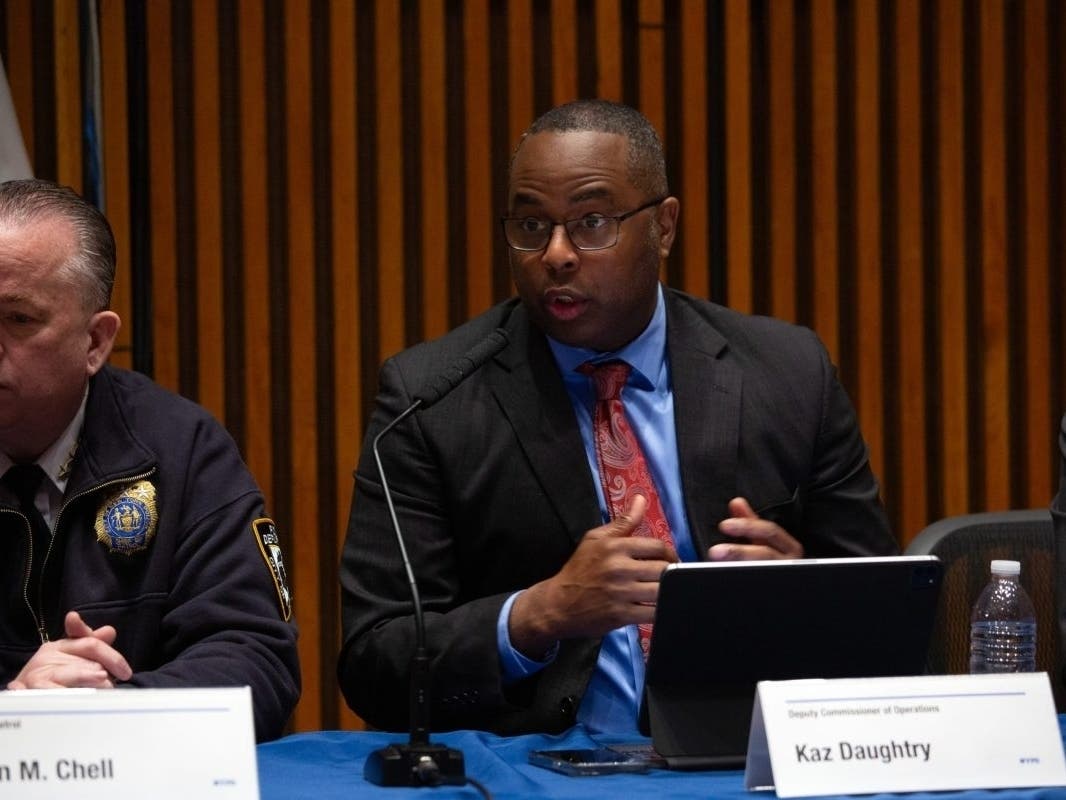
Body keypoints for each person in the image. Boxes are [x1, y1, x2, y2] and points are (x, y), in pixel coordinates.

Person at [338, 99, 897, 736]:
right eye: (529, 225)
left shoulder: (787, 372)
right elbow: (373, 662)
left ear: (663, 226)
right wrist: (537, 615)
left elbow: (888, 619)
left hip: (746, 756)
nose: (556, 254)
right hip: (544, 770)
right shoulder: (430, 399)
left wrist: (798, 598)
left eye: (591, 221)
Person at [0, 178, 299, 741]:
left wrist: (109, 710)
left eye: (18, 319)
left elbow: (257, 660)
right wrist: (16, 714)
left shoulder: (181, 448)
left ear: (94, 342)